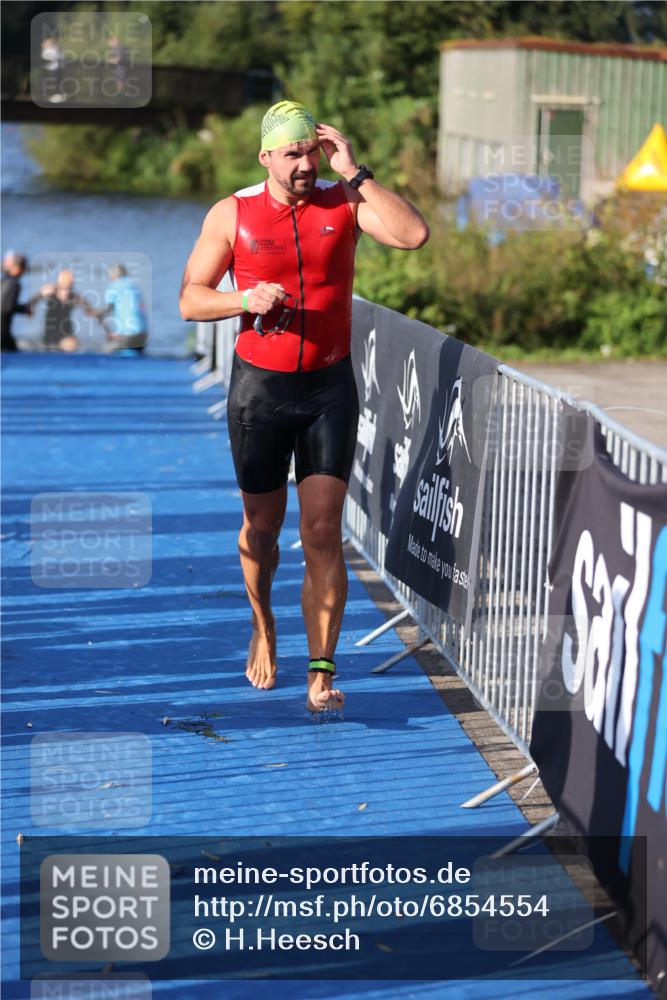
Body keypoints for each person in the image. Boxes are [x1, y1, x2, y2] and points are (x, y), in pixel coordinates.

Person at [179, 100, 429, 712]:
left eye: (310, 151)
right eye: (291, 154)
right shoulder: (231, 213)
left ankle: (321, 672)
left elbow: (412, 235)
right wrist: (243, 300)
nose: (302, 164)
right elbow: (190, 298)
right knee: (262, 529)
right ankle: (263, 624)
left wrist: (355, 171)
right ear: (265, 156)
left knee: (322, 531)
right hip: (260, 393)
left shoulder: (342, 201)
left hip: (327, 390)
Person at [31, 269, 99, 352]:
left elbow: (92, 312)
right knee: (69, 345)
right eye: (65, 284)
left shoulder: (74, 297)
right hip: (52, 332)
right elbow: (32, 303)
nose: (67, 288)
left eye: (70, 284)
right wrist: (38, 296)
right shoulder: (50, 291)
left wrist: (108, 331)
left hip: (67, 331)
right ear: (59, 282)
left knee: (74, 345)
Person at [97, 264, 148, 353]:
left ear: (113, 275)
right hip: (144, 334)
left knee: (105, 352)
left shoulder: (115, 286)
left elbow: (107, 308)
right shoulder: (134, 285)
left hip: (128, 335)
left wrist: (96, 312)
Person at [1, 253, 30, 352]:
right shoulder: (14, 284)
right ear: (18, 268)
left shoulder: (3, 282)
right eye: (24, 267)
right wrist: (24, 309)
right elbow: (7, 307)